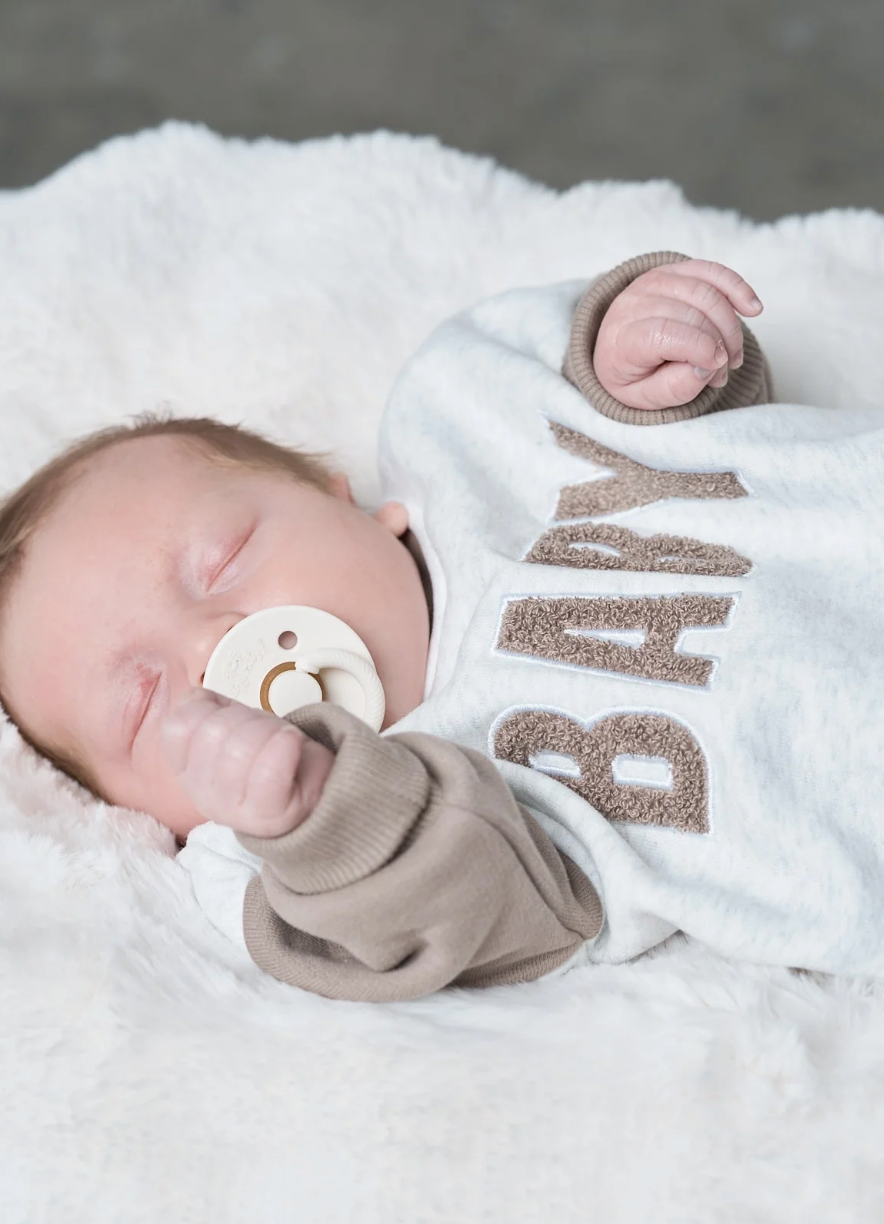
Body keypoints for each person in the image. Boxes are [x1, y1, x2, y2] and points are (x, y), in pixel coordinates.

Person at [11, 248, 868, 1006]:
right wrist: (315, 817)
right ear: (148, 819)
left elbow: (700, 430)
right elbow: (459, 916)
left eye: (224, 560)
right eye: (146, 703)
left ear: (344, 504)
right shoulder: (279, 873)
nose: (209, 646)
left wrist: (644, 362)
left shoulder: (467, 426)